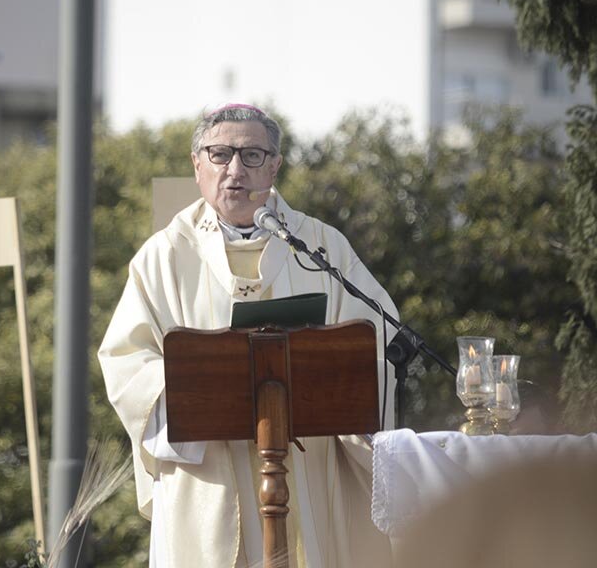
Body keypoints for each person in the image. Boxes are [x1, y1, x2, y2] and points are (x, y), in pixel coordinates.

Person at [98, 104, 397, 568]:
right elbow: (127, 363)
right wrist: (201, 386)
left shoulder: (320, 247)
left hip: (307, 474)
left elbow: (377, 345)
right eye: (220, 154)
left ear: (275, 166)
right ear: (197, 164)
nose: (234, 169)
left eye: (252, 155)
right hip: (211, 479)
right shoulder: (164, 256)